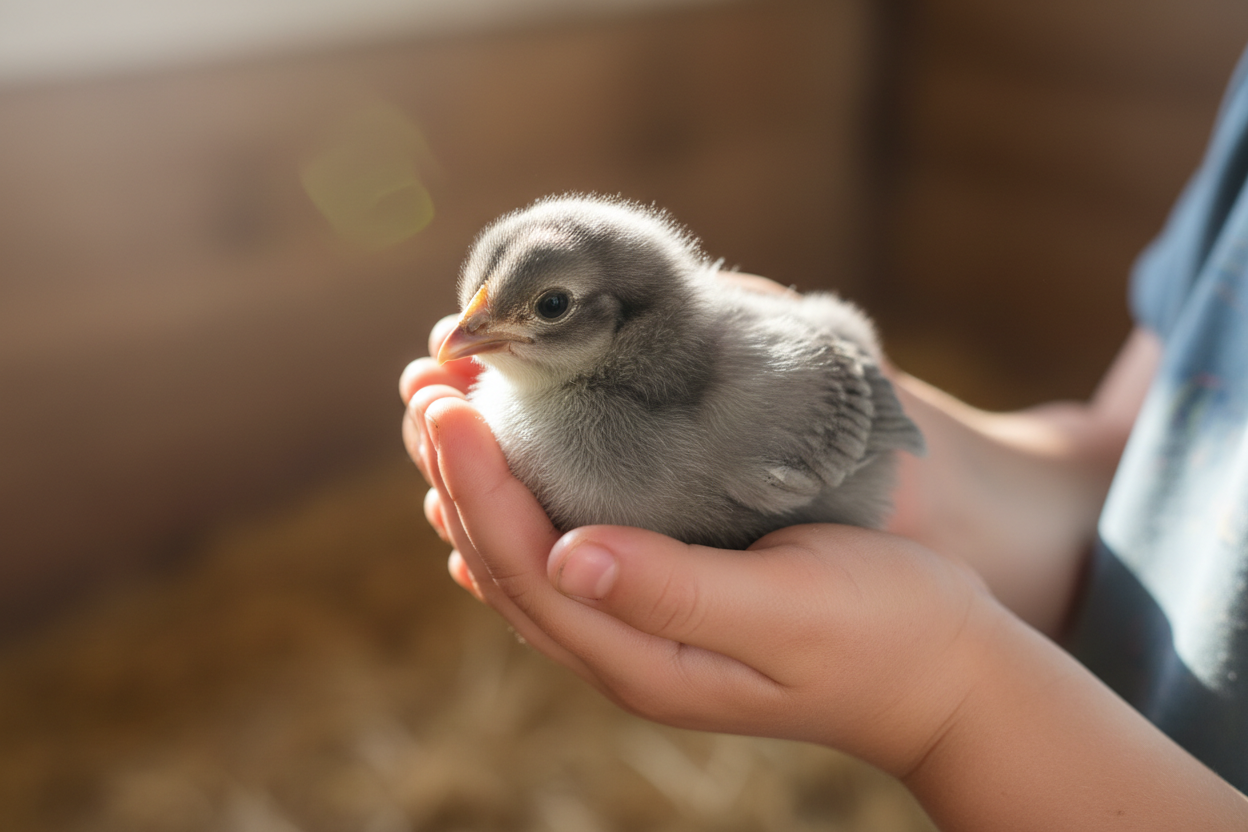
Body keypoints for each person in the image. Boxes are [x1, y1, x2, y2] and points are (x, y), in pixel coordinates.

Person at [398, 49, 1248, 829]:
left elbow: (861, 397)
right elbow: (1125, 458)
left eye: (547, 309)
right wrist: (951, 492)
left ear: (625, 322)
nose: (463, 341)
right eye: (479, 303)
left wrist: (945, 700)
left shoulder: (740, 421)